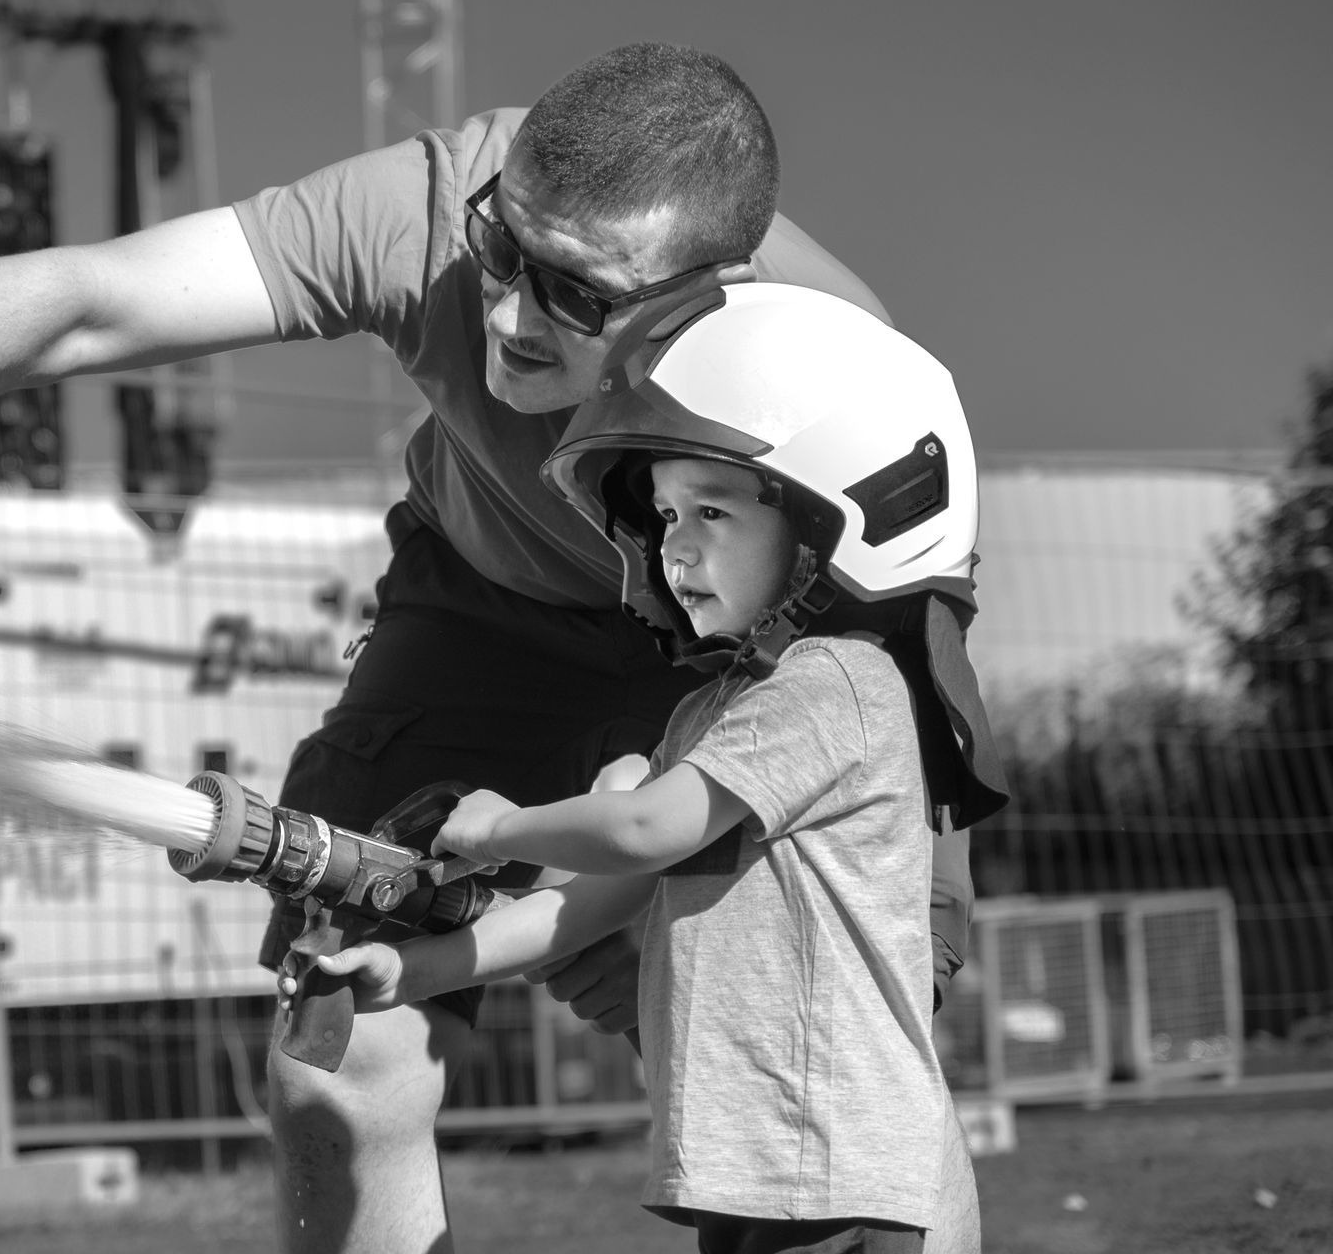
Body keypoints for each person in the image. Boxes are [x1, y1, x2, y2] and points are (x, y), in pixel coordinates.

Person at [0, 42, 980, 1254]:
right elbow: (100, 298)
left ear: (711, 294)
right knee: (337, 1051)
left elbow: (883, 663)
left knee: (851, 1072)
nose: (505, 316)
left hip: (747, 661)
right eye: (502, 251)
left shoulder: (849, 386)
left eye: (574, 295)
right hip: (483, 621)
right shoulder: (425, 209)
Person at [298, 282, 1002, 1254]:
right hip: (750, 1169)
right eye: (664, 514)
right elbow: (594, 900)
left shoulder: (838, 686)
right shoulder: (718, 715)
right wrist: (411, 967)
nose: (676, 546)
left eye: (711, 508)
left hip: (834, 1168)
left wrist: (502, 824)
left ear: (852, 507)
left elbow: (641, 829)